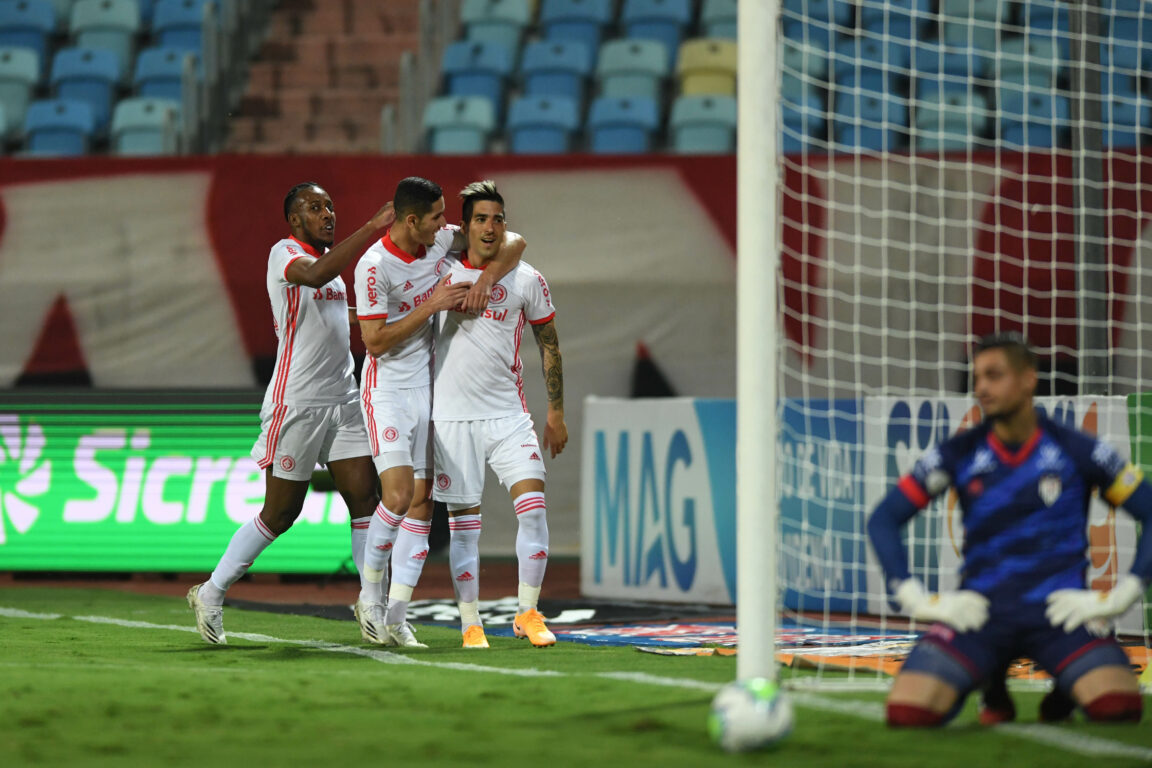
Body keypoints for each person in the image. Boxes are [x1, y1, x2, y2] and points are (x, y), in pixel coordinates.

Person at [867, 332, 1152, 726]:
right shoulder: (959, 452)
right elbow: (883, 518)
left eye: (994, 375)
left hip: (1060, 615)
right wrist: (916, 599)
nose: (981, 388)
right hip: (980, 615)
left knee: (1118, 708)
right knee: (907, 712)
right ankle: (991, 683)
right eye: (977, 377)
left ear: (1028, 379)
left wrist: (1123, 595)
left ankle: (1064, 688)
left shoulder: (1077, 449)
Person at [187, 182, 395, 644]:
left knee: (365, 500)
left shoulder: (331, 269)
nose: (327, 213)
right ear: (294, 219)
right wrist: (372, 228)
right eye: (315, 207)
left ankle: (373, 605)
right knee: (281, 513)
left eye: (330, 206)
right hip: (297, 403)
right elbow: (316, 276)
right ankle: (212, 592)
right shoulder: (285, 254)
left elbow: (340, 313)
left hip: (343, 400)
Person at [353, 176, 526, 647]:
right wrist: (431, 305)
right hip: (387, 390)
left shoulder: (439, 242)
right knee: (397, 495)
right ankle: (370, 598)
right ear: (412, 221)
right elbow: (374, 341)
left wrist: (486, 279)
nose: (445, 224)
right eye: (436, 217)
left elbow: (515, 241)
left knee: (423, 504)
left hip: (430, 391)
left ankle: (396, 617)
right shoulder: (374, 267)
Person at [432, 180, 567, 649]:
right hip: (452, 418)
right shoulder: (440, 270)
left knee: (534, 509)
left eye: (498, 219)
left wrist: (556, 413)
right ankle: (470, 622)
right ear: (464, 226)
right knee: (464, 529)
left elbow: (549, 345)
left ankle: (528, 611)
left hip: (509, 415)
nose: (490, 228)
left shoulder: (527, 279)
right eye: (481, 219)